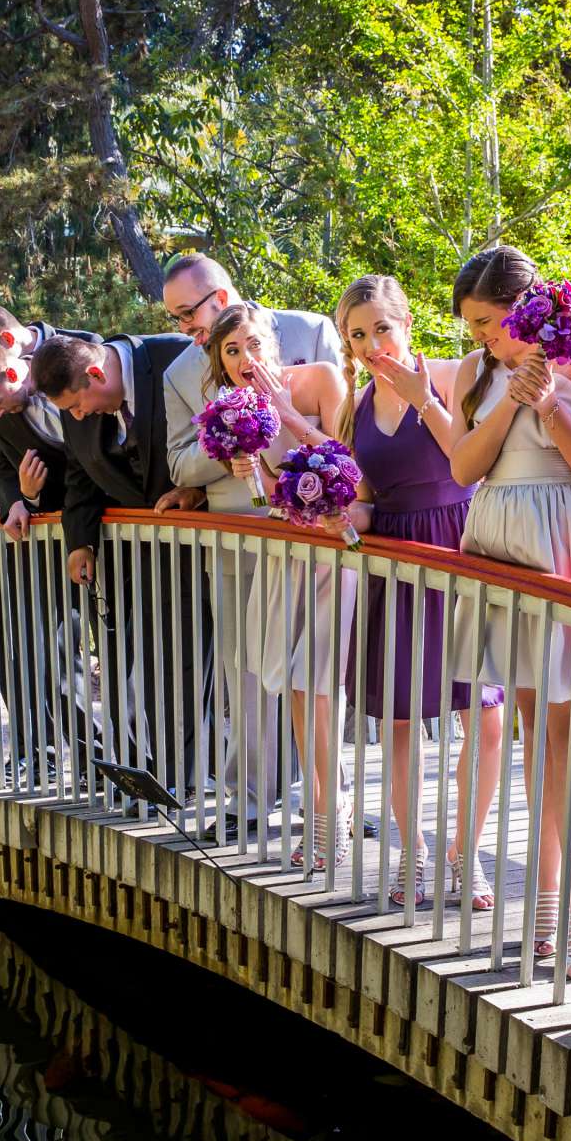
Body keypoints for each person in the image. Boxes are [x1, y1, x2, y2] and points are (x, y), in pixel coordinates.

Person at [446, 247, 571, 983]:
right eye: (473, 326)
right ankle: (545, 896)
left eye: (492, 324)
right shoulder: (475, 373)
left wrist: (551, 411)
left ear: (527, 310)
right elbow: (464, 471)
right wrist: (506, 397)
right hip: (502, 544)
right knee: (535, 727)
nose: (483, 339)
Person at [328, 276, 505, 909]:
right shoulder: (353, 407)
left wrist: (422, 397)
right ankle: (415, 855)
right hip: (395, 563)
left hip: (461, 546)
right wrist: (344, 519)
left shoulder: (454, 376)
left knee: (483, 718)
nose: (372, 343)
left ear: (406, 326)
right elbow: (370, 502)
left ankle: (466, 855)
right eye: (358, 334)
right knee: (401, 722)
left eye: (381, 328)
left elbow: (469, 461)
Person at [157, 252, 344, 820]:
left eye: (188, 312)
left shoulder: (311, 331)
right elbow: (179, 464)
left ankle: (327, 800)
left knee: (318, 669)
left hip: (313, 536)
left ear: (220, 294)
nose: (186, 328)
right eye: (175, 319)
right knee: (244, 669)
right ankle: (251, 799)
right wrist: (227, 449)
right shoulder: (179, 373)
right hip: (237, 533)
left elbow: (347, 430)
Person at [198, 302, 356, 869]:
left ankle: (330, 817)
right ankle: (320, 812)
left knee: (319, 684)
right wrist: (251, 472)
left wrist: (287, 414)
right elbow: (279, 496)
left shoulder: (321, 378)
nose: (246, 358)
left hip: (336, 552)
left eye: (253, 344)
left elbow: (351, 467)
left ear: (275, 340)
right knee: (292, 684)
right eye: (232, 351)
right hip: (283, 549)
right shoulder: (236, 408)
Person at [31, 330, 207, 780]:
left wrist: (199, 490)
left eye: (76, 405)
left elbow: (222, 434)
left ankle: (182, 775)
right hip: (132, 559)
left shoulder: (177, 357)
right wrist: (79, 541)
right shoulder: (79, 400)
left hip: (201, 549)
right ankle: (155, 770)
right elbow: (79, 475)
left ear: (95, 372)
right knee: (137, 668)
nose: (79, 414)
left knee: (184, 668)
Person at [0, 332, 84, 780]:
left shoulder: (65, 376)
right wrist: (16, 501)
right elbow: (4, 468)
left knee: (79, 658)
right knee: (45, 651)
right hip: (50, 543)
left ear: (14, 372)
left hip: (96, 532)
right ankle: (66, 757)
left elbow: (85, 466)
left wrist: (34, 496)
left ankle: (103, 760)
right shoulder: (0, 415)